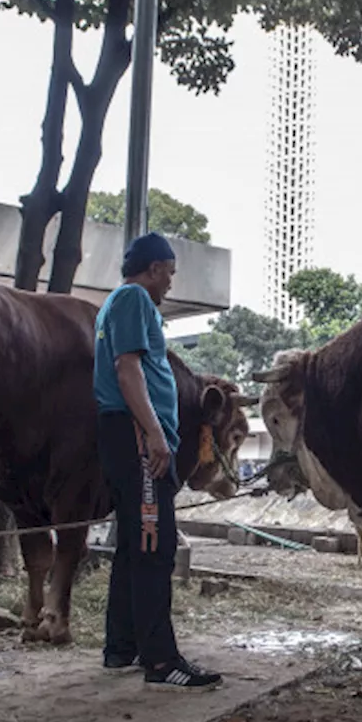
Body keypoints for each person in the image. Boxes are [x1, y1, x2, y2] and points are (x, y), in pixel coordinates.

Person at [93, 232, 223, 692]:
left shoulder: (120, 303)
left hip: (128, 435)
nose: (170, 283)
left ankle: (121, 646)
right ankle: (162, 660)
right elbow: (127, 369)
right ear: (153, 269)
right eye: (169, 272)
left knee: (136, 543)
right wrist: (153, 433)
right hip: (135, 437)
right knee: (155, 546)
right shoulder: (133, 300)